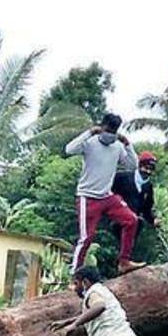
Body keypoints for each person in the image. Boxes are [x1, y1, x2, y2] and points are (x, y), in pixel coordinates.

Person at [65, 113, 145, 274]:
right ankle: (75, 275)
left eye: (114, 132)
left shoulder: (117, 146)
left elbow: (132, 165)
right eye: (108, 130)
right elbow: (69, 149)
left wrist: (127, 144)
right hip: (87, 196)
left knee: (132, 220)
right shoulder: (90, 143)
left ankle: (124, 261)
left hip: (107, 196)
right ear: (102, 128)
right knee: (86, 237)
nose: (110, 135)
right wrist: (89, 133)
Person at [112, 151, 158, 229]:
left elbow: (147, 208)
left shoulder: (148, 186)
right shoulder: (121, 177)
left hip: (133, 225)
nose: (148, 172)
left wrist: (152, 220)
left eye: (151, 169)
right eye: (146, 168)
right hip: (115, 221)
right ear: (140, 166)